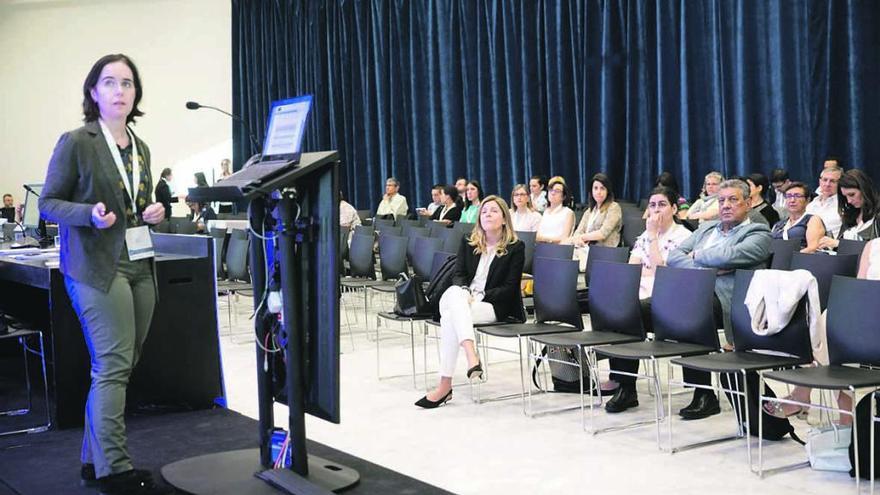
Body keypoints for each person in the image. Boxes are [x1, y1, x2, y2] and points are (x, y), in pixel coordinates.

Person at [38, 54, 170, 494]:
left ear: (136, 94)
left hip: (139, 261)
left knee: (124, 362)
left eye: (127, 83)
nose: (119, 91)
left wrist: (156, 210)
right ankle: (115, 468)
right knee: (113, 363)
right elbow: (48, 203)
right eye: (109, 83)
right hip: (95, 266)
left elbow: (140, 202)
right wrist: (89, 215)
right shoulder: (77, 141)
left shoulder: (141, 146)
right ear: (93, 92)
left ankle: (91, 460)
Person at [667, 179, 772, 420]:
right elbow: (673, 256)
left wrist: (698, 256)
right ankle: (623, 384)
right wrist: (710, 267)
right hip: (693, 291)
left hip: (728, 299)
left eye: (733, 200)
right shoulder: (705, 229)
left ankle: (703, 394)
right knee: (635, 309)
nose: (725, 205)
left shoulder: (758, 232)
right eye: (721, 200)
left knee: (691, 311)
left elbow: (731, 254)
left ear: (747, 203)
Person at [415, 195, 525, 408]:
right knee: (456, 294)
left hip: (490, 305)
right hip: (461, 297)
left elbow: (510, 288)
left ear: (504, 218)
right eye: (484, 211)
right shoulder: (468, 241)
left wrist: (479, 296)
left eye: (493, 211)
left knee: (450, 317)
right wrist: (465, 291)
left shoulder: (515, 247)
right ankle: (471, 356)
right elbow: (459, 275)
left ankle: (444, 386)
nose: (487, 214)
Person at [604, 186, 693, 412]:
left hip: (668, 297)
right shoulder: (644, 235)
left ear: (674, 209)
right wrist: (649, 249)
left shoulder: (684, 236)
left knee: (628, 313)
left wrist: (653, 237)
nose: (656, 210)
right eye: (652, 205)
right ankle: (623, 383)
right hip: (640, 292)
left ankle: (625, 385)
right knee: (614, 307)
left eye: (662, 204)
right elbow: (632, 269)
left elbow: (662, 271)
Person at [817, 169, 879, 250]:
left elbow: (876, 249)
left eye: (852, 194)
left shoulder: (877, 216)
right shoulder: (850, 216)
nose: (849, 201)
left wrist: (840, 244)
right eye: (845, 196)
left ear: (864, 189)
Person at [565, 173, 622, 248]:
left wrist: (582, 237)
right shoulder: (589, 211)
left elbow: (603, 234)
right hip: (584, 248)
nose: (598, 192)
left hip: (604, 251)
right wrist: (578, 239)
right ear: (591, 191)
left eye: (602, 188)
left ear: (607, 191)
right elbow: (578, 232)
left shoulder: (614, 207)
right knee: (565, 245)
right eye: (595, 188)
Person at [770, 182, 825, 253]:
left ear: (807, 200)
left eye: (797, 196)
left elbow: (813, 248)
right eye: (789, 196)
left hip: (799, 260)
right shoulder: (778, 225)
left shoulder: (812, 220)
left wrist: (788, 258)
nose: (792, 200)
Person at [805, 166, 843, 238]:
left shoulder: (843, 204)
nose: (827, 184)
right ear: (820, 181)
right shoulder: (811, 204)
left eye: (832, 181)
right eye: (825, 180)